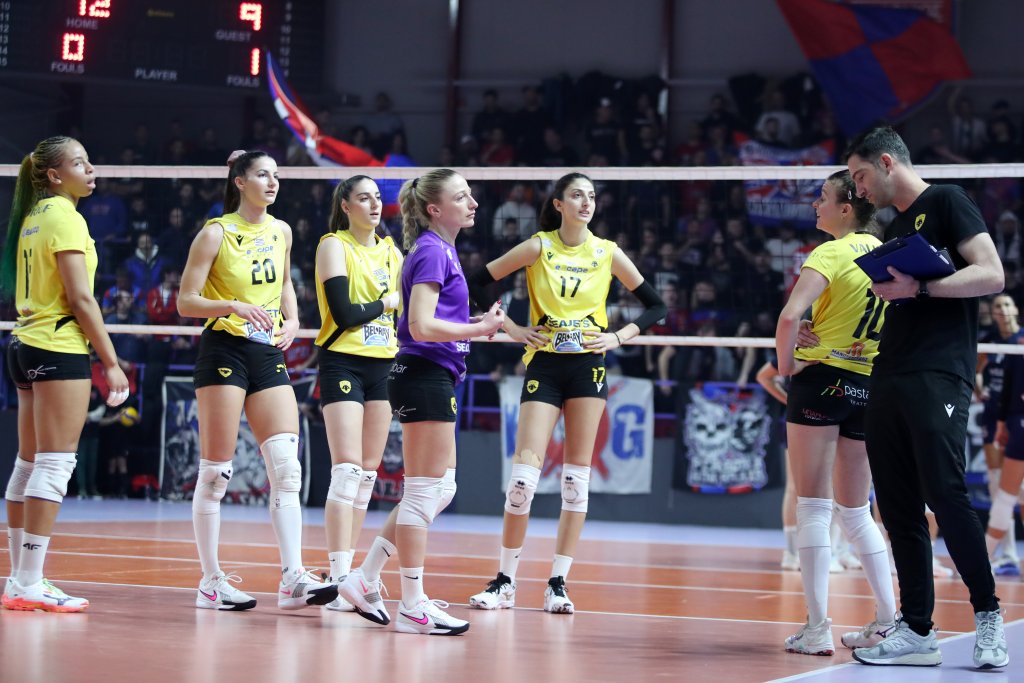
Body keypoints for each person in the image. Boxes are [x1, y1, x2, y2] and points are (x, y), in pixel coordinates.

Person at [465, 172, 666, 614]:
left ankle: (557, 583)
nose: (586, 202)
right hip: (545, 366)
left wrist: (618, 336)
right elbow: (476, 281)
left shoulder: (607, 252)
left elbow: (657, 305)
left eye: (591, 196)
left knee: (576, 482)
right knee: (522, 480)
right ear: (558, 204)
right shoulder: (539, 246)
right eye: (577, 195)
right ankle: (505, 581)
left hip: (588, 368)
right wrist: (512, 328)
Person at [846, 125, 1007, 669]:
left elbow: (991, 274)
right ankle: (917, 629)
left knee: (946, 492)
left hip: (939, 371)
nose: (858, 188)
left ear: (887, 163)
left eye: (860, 175)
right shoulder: (895, 227)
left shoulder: (947, 200)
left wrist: (920, 288)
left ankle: (988, 616)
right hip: (889, 370)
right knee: (897, 506)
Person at [177, 150, 336, 612]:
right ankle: (211, 582)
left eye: (276, 175)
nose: (272, 182)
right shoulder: (215, 233)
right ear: (240, 181)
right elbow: (186, 301)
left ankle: (293, 578)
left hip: (267, 352)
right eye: (262, 175)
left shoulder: (281, 230)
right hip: (224, 350)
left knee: (287, 468)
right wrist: (231, 305)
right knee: (216, 473)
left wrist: (294, 319)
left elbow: (284, 283)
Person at [355, 168, 503, 635]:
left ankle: (364, 578)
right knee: (422, 494)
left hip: (432, 374)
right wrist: (479, 328)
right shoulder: (433, 251)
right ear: (435, 209)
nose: (473, 203)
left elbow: (433, 320)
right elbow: (419, 325)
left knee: (442, 489)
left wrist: (472, 324)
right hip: (423, 375)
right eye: (462, 197)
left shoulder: (440, 249)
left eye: (471, 195)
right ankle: (412, 605)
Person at [0, 136, 130, 611]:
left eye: (89, 161)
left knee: (29, 464)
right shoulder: (65, 218)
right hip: (57, 346)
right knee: (54, 465)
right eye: (80, 163)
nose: (90, 169)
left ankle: (20, 579)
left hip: (23, 343)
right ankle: (28, 581)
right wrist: (111, 362)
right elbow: (81, 299)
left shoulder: (33, 216)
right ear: (55, 175)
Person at [775, 170, 897, 657]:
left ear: (847, 208)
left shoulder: (830, 253)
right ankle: (888, 621)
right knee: (856, 510)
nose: (815, 205)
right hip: (868, 385)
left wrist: (787, 365)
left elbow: (789, 316)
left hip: (821, 381)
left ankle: (817, 628)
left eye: (822, 197)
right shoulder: (887, 253)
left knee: (812, 506)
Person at [310, 175, 402, 614]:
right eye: (364, 198)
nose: (374, 204)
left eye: (377, 197)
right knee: (346, 471)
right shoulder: (333, 246)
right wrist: (386, 303)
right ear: (346, 206)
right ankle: (339, 576)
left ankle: (347, 581)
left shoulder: (392, 252)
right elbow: (345, 314)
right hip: (342, 360)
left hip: (383, 364)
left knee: (366, 476)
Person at [975, 293, 1021, 575]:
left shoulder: (1021, 340)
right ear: (992, 313)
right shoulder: (990, 342)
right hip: (995, 417)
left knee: (1016, 489)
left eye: (1006, 305)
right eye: (997, 306)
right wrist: (980, 390)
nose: (1002, 310)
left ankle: (1008, 553)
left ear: (1015, 309)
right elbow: (976, 370)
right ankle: (1007, 553)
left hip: (1015, 415)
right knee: (997, 484)